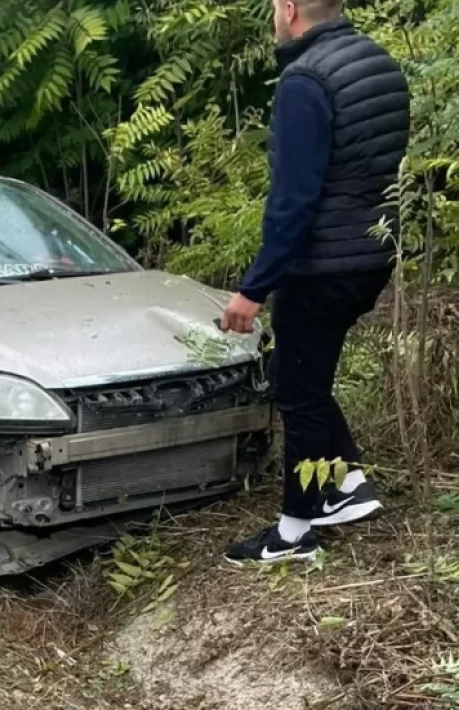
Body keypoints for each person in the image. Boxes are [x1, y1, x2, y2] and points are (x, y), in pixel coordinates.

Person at [218, 0, 409, 565]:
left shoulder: (305, 81)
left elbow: (294, 202)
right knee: (304, 370)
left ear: (289, 9)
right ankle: (347, 485)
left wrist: (254, 288)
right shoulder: (376, 61)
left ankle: (295, 530)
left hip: (323, 263)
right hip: (374, 253)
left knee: (297, 390)